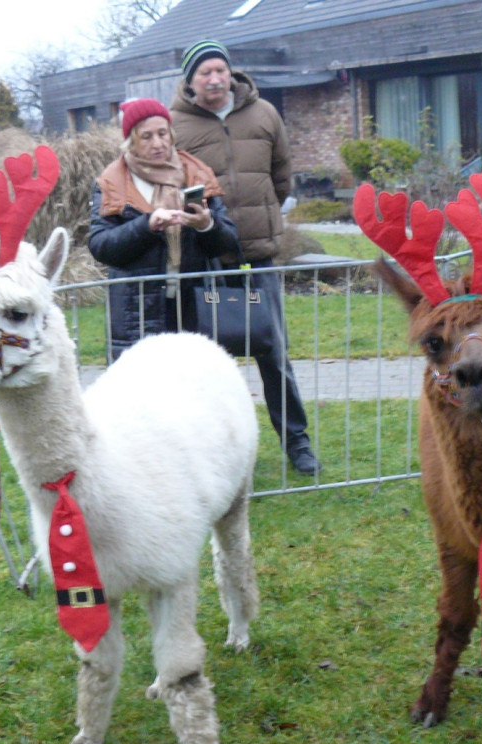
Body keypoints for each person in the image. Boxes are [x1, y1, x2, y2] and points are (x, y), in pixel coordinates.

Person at [170, 39, 322, 476]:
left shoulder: (264, 114)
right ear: (191, 80)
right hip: (208, 262)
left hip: (258, 257)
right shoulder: (175, 124)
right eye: (205, 72)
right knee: (207, 360)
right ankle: (211, 450)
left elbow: (281, 179)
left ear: (231, 73)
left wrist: (259, 220)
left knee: (273, 353)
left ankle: (297, 443)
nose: (215, 78)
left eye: (220, 69)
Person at [88, 97, 240, 360]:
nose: (157, 143)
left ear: (171, 134)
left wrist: (207, 225)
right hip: (138, 309)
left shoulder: (197, 174)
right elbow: (101, 246)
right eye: (146, 137)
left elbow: (228, 243)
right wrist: (146, 226)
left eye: (162, 133)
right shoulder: (112, 182)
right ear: (131, 141)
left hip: (195, 303)